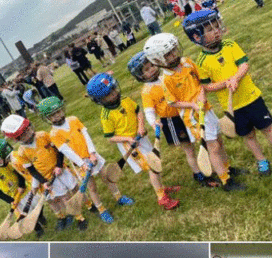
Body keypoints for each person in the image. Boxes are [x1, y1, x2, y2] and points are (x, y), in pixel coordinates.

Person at [183, 10, 272, 176]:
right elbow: (207, 86)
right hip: (233, 108)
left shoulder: (230, 45)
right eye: (210, 29)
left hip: (252, 97)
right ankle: (261, 160)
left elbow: (244, 65)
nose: (216, 30)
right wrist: (224, 84)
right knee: (248, 135)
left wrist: (235, 78)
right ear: (197, 37)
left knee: (268, 128)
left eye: (216, 26)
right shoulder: (201, 61)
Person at [143, 33, 247, 191]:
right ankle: (226, 181)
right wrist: (192, 105)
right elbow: (172, 102)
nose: (174, 54)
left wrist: (202, 95)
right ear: (158, 60)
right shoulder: (166, 79)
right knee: (213, 147)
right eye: (168, 54)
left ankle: (227, 168)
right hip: (193, 117)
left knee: (218, 141)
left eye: (173, 50)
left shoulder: (187, 63)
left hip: (206, 109)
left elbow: (200, 83)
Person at [86, 73, 180, 210]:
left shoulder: (125, 99)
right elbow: (110, 137)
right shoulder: (106, 115)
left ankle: (161, 187)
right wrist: (127, 139)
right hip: (130, 145)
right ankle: (161, 197)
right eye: (108, 95)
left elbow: (138, 112)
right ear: (100, 100)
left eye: (113, 90)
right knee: (152, 167)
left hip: (141, 138)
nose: (114, 94)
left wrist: (141, 127)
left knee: (155, 162)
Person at [37, 96, 135, 223]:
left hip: (92, 156)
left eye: (58, 111)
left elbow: (86, 136)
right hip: (80, 164)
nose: (57, 116)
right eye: (53, 115)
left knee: (107, 177)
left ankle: (119, 197)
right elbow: (67, 151)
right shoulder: (54, 134)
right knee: (92, 187)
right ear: (48, 118)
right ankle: (101, 210)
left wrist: (92, 153)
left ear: (62, 109)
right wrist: (82, 163)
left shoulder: (73, 119)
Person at [128, 51, 219, 187]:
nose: (151, 69)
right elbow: (149, 111)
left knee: (203, 141)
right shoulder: (147, 91)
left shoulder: (166, 77)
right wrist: (153, 123)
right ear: (140, 76)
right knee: (189, 149)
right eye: (146, 70)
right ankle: (198, 174)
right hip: (172, 121)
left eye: (151, 65)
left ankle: (209, 166)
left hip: (185, 114)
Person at [0, 115, 88, 231]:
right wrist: (44, 182)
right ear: (17, 139)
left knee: (76, 188)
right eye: (24, 134)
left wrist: (58, 165)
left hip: (62, 170)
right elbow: (32, 170)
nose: (29, 134)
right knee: (65, 198)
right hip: (49, 178)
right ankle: (80, 218)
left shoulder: (43, 135)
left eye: (28, 130)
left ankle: (89, 205)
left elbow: (59, 149)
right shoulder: (22, 152)